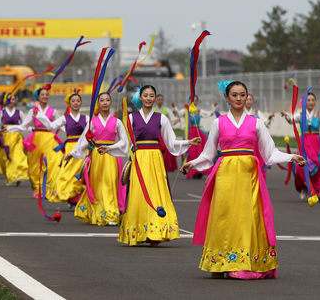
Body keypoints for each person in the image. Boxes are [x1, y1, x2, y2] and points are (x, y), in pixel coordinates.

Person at [180, 80, 306, 280]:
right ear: (226, 98)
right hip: (225, 177)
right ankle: (220, 263)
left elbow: (270, 153)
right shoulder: (218, 122)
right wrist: (192, 164)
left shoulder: (256, 122)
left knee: (247, 219)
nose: (239, 98)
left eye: (242, 95)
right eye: (234, 95)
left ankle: (245, 263)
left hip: (249, 178)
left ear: (247, 97)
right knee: (224, 218)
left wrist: (292, 157)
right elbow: (208, 154)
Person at [107, 85, 201, 246]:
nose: (149, 98)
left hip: (156, 158)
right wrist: (109, 147)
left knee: (157, 191)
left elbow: (171, 142)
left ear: (155, 98)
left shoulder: (161, 118)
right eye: (146, 95)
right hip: (138, 158)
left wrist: (189, 142)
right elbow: (124, 142)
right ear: (140, 98)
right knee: (138, 192)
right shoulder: (131, 118)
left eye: (152, 95)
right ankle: (138, 232)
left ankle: (155, 232)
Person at [68, 92, 128, 225]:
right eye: (102, 100)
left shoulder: (117, 122)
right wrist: (72, 153)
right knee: (98, 185)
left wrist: (111, 148)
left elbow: (124, 142)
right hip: (97, 156)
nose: (105, 102)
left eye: (107, 100)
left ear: (111, 103)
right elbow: (84, 140)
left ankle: (111, 214)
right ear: (98, 104)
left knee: (111, 184)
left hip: (111, 156)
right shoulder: (92, 122)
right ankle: (99, 212)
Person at [280, 92, 320, 200]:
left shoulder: (319, 114)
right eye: (308, 100)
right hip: (304, 143)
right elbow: (291, 121)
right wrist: (286, 115)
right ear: (304, 102)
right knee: (303, 166)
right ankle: (305, 186)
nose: (311, 102)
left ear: (315, 101)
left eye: (313, 100)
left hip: (317, 143)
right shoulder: (300, 115)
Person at [6, 88, 63, 200]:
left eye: (47, 94)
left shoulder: (53, 111)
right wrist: (10, 129)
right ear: (38, 96)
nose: (45, 96)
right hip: (36, 140)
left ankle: (50, 189)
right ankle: (39, 189)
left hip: (50, 140)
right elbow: (24, 126)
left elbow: (61, 125)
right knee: (36, 165)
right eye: (42, 95)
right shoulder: (33, 111)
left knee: (52, 164)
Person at [36, 92, 86, 206]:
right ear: (69, 103)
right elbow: (50, 126)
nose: (76, 103)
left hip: (82, 148)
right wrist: (40, 116)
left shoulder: (86, 118)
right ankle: (69, 196)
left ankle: (77, 199)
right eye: (73, 101)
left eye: (78, 101)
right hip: (70, 148)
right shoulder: (65, 118)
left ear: (81, 103)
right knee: (67, 173)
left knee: (81, 173)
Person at [0, 94, 29, 187]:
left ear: (15, 101)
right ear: (5, 101)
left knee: (17, 158)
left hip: (16, 139)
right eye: (9, 99)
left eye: (13, 99)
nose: (11, 101)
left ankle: (15, 176)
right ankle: (9, 177)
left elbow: (25, 126)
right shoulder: (1, 113)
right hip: (5, 139)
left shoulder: (19, 113)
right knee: (5, 160)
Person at [172, 96, 217, 179]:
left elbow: (209, 113)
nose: (194, 102)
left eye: (195, 100)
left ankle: (200, 171)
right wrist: (174, 107)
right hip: (189, 134)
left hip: (198, 133)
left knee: (200, 152)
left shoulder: (199, 111)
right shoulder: (185, 111)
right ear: (189, 101)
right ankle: (192, 171)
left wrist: (213, 107)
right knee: (191, 152)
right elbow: (177, 113)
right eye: (192, 100)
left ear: (197, 102)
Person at [153, 94, 181, 171]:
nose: (160, 101)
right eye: (159, 99)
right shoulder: (152, 110)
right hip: (156, 132)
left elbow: (172, 118)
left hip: (164, 131)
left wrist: (176, 119)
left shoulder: (167, 110)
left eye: (162, 99)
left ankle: (167, 165)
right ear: (156, 100)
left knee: (167, 148)